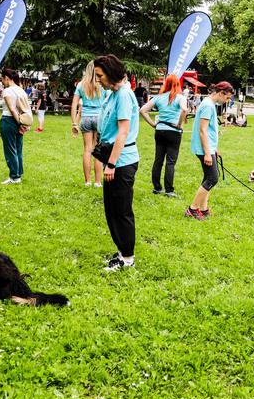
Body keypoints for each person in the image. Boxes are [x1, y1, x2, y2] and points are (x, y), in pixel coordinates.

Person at [92, 54, 140, 271]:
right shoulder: (112, 94)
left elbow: (123, 133)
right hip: (112, 159)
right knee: (111, 210)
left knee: (121, 211)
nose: (98, 79)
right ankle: (121, 252)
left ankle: (127, 259)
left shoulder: (123, 96)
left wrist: (111, 164)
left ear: (111, 74)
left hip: (121, 162)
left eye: (100, 75)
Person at [185, 81, 234, 220]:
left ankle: (204, 208)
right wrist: (207, 152)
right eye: (227, 97)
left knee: (209, 177)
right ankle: (192, 209)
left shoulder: (209, 104)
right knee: (213, 178)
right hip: (203, 148)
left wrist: (214, 149)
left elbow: (210, 131)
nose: (227, 100)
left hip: (208, 147)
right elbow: (202, 130)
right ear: (220, 93)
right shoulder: (207, 105)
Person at [139, 73, 187, 197]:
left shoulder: (159, 97)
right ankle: (169, 190)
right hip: (173, 132)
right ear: (178, 84)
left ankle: (157, 188)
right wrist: (179, 124)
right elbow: (184, 110)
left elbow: (142, 110)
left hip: (160, 131)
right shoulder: (180, 97)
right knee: (170, 161)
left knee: (158, 160)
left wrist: (153, 124)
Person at [71, 62, 107, 187]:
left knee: (87, 150)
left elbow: (74, 104)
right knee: (98, 149)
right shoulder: (102, 84)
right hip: (99, 118)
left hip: (85, 118)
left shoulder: (81, 85)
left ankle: (87, 181)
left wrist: (74, 123)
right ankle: (97, 182)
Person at [0, 68, 30, 184]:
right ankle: (18, 174)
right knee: (18, 149)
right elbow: (26, 108)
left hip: (9, 121)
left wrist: (18, 122)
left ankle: (14, 177)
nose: (2, 81)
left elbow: (12, 109)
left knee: (10, 150)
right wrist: (24, 124)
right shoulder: (21, 91)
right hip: (21, 120)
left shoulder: (7, 91)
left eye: (2, 79)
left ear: (7, 78)